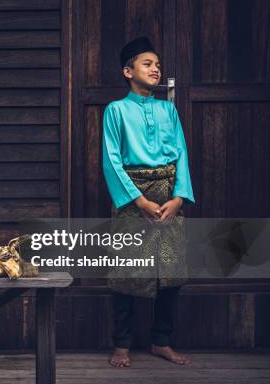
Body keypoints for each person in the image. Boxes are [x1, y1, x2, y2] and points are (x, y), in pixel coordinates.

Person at [102, 36, 194, 368]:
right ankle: (122, 345)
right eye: (147, 64)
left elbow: (182, 153)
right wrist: (138, 200)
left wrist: (179, 197)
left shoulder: (168, 109)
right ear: (128, 71)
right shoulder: (116, 110)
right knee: (126, 271)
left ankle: (161, 341)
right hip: (132, 198)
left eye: (157, 65)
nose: (155, 69)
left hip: (169, 197)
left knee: (171, 271)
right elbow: (111, 160)